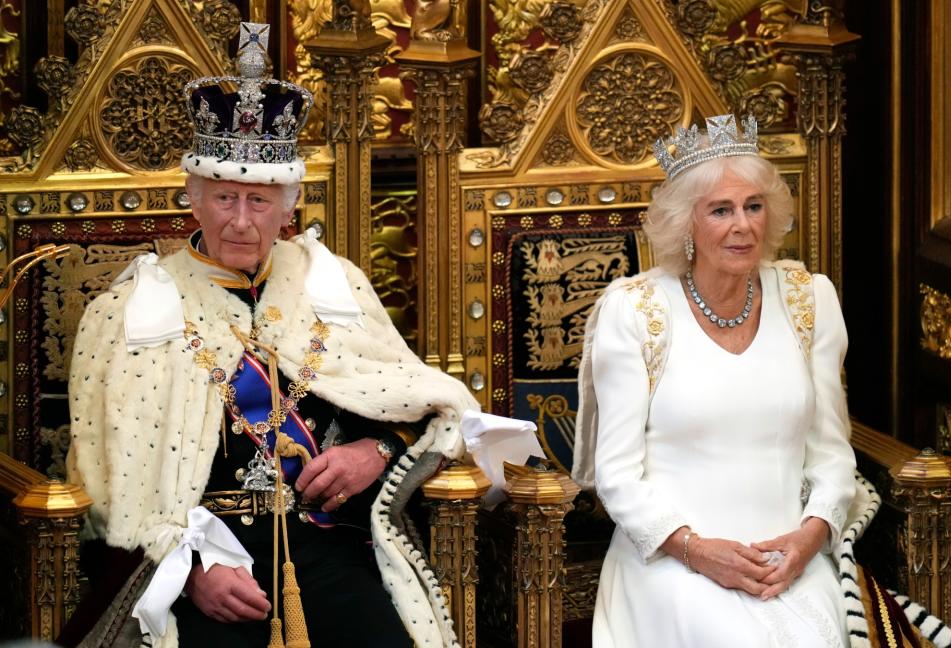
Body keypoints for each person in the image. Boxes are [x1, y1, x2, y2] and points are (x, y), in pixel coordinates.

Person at [66, 22, 477, 648]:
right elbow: (104, 486)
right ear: (193, 199)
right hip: (200, 563)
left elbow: (415, 399)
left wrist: (376, 454)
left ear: (290, 207)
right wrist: (189, 571)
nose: (239, 221)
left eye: (259, 202)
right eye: (224, 197)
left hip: (325, 542)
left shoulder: (333, 283)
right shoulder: (126, 310)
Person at [572, 114, 857, 647]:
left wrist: (809, 537)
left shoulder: (808, 299)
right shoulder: (636, 311)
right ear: (687, 225)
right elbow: (616, 475)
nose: (742, 225)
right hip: (672, 560)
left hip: (789, 560)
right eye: (720, 210)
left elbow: (833, 455)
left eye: (753, 206)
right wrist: (697, 550)